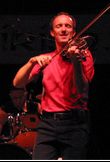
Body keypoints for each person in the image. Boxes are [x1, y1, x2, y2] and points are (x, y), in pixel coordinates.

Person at [13, 12, 95, 160]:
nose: (63, 29)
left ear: (74, 32)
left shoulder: (84, 56)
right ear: (52, 32)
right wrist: (31, 62)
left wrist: (76, 62)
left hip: (74, 124)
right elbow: (17, 83)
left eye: (67, 26)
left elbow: (81, 89)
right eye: (59, 26)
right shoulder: (48, 58)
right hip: (47, 124)